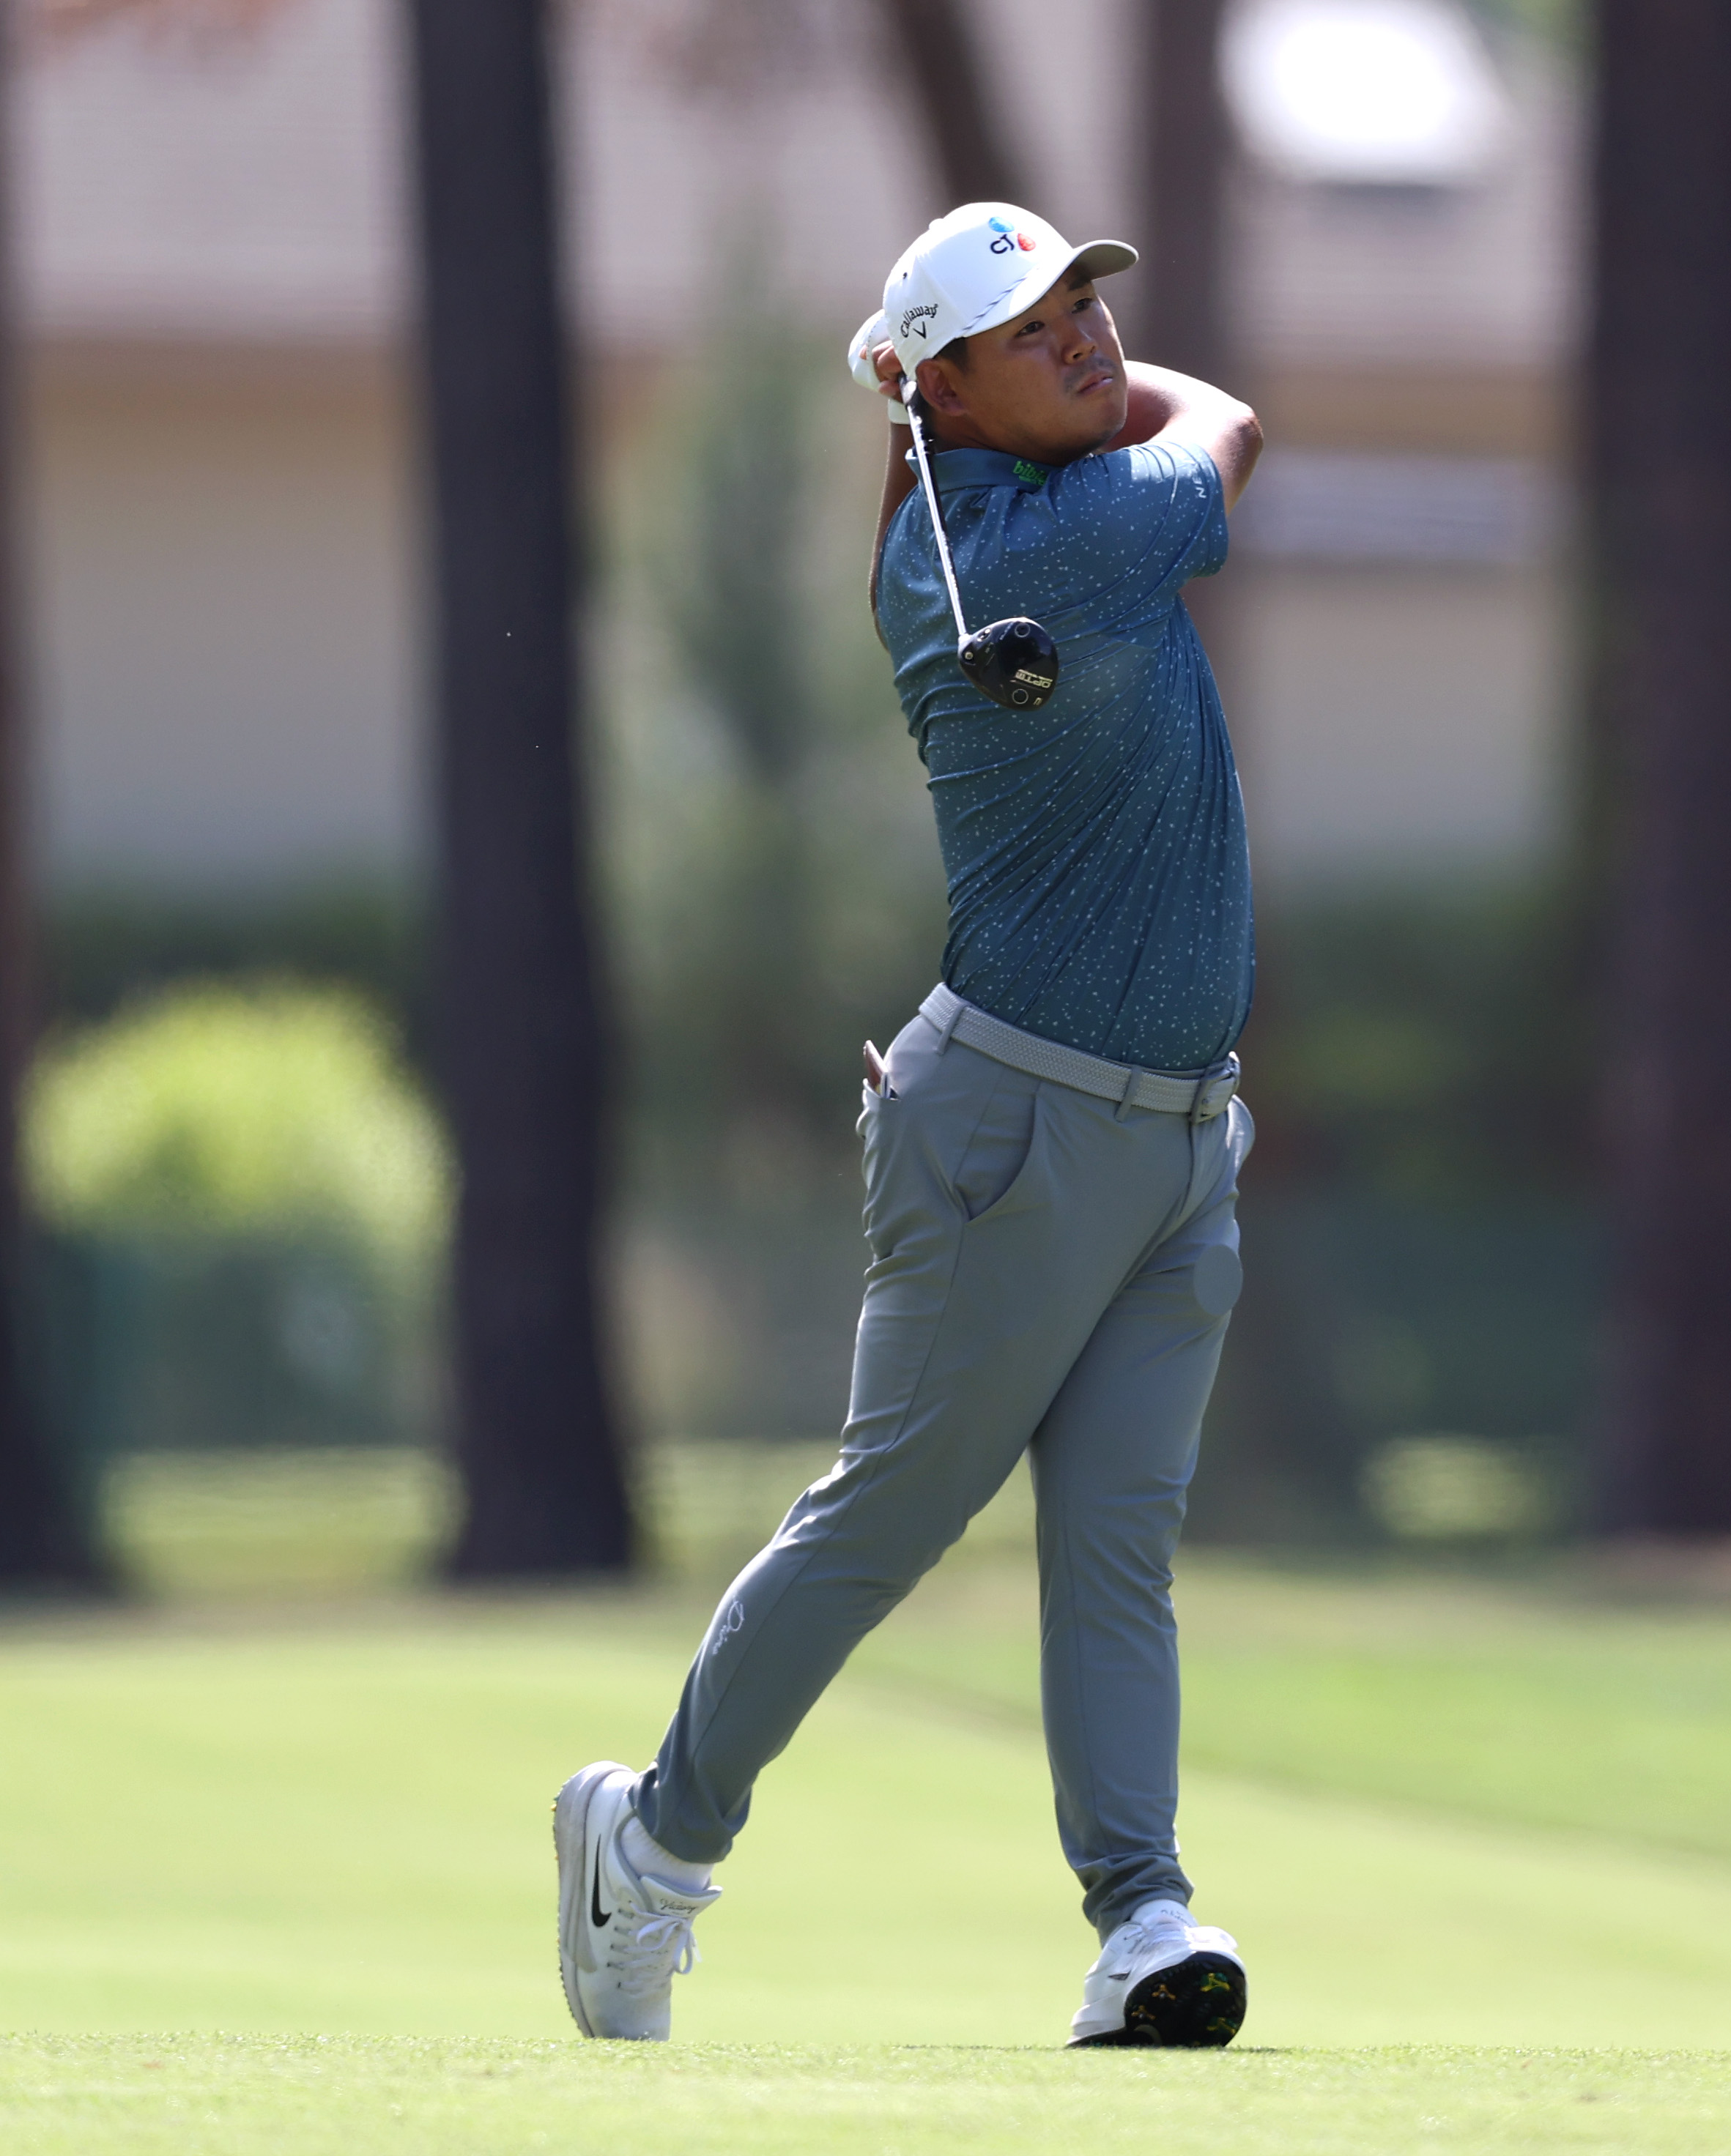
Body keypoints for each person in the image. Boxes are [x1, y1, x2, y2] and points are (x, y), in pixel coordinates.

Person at [552, 201, 1267, 2051]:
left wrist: (945, 390)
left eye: (1089, 305)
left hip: (1182, 1139)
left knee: (1117, 1542)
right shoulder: (1059, 545)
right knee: (883, 1521)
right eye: (1036, 330)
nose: (1092, 339)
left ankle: (1142, 1918)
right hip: (1014, 1131)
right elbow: (1230, 420)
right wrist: (975, 400)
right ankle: (651, 1844)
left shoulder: (996, 522)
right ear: (941, 392)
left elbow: (1160, 416)